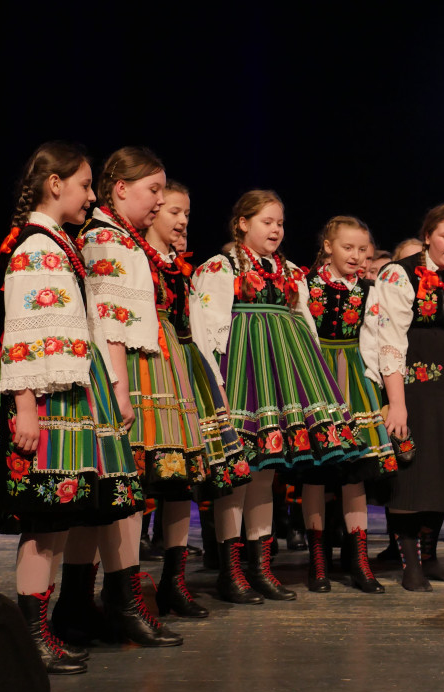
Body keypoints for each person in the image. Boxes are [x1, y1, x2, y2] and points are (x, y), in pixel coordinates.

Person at [0, 142, 146, 673]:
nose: (90, 195)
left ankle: (49, 629)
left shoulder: (57, 244)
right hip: (48, 402)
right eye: (84, 185)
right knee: (45, 521)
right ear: (55, 184)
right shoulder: (34, 248)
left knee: (61, 522)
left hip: (72, 398)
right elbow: (21, 333)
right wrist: (26, 407)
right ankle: (31, 640)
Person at [190, 190, 368, 604]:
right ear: (242, 223)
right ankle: (231, 571)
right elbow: (207, 328)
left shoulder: (288, 270)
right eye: (267, 221)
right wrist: (213, 382)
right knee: (239, 471)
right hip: (240, 375)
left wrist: (314, 379)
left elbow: (304, 321)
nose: (275, 229)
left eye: (280, 222)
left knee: (266, 474)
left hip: (282, 374)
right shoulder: (222, 266)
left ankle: (261, 566)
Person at [56, 146, 193, 649]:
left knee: (122, 494)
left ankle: (85, 603)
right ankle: (116, 601)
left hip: (134, 366)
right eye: (152, 190)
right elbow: (108, 319)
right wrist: (119, 388)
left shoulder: (119, 237)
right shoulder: (106, 239)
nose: (159, 200)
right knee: (121, 493)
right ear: (120, 188)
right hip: (124, 371)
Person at [143, 180, 252, 616]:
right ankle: (127, 586)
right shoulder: (139, 261)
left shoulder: (179, 267)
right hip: (152, 373)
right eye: (173, 212)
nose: (183, 220)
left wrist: (216, 384)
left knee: (182, 483)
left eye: (186, 213)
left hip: (187, 371)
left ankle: (175, 580)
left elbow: (201, 331)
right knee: (148, 482)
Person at [373, 203, 444, 591]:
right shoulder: (399, 275)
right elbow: (389, 343)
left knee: (442, 473)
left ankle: (431, 557)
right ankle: (410, 566)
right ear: (427, 236)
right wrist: (398, 403)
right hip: (410, 386)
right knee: (411, 475)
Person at [302, 216, 395, 593]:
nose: (356, 256)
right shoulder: (304, 285)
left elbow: (379, 339)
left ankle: (359, 561)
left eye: (362, 249)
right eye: (347, 248)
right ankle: (318, 561)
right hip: (316, 375)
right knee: (316, 473)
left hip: (354, 378)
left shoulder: (371, 290)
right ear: (328, 246)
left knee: (355, 473)